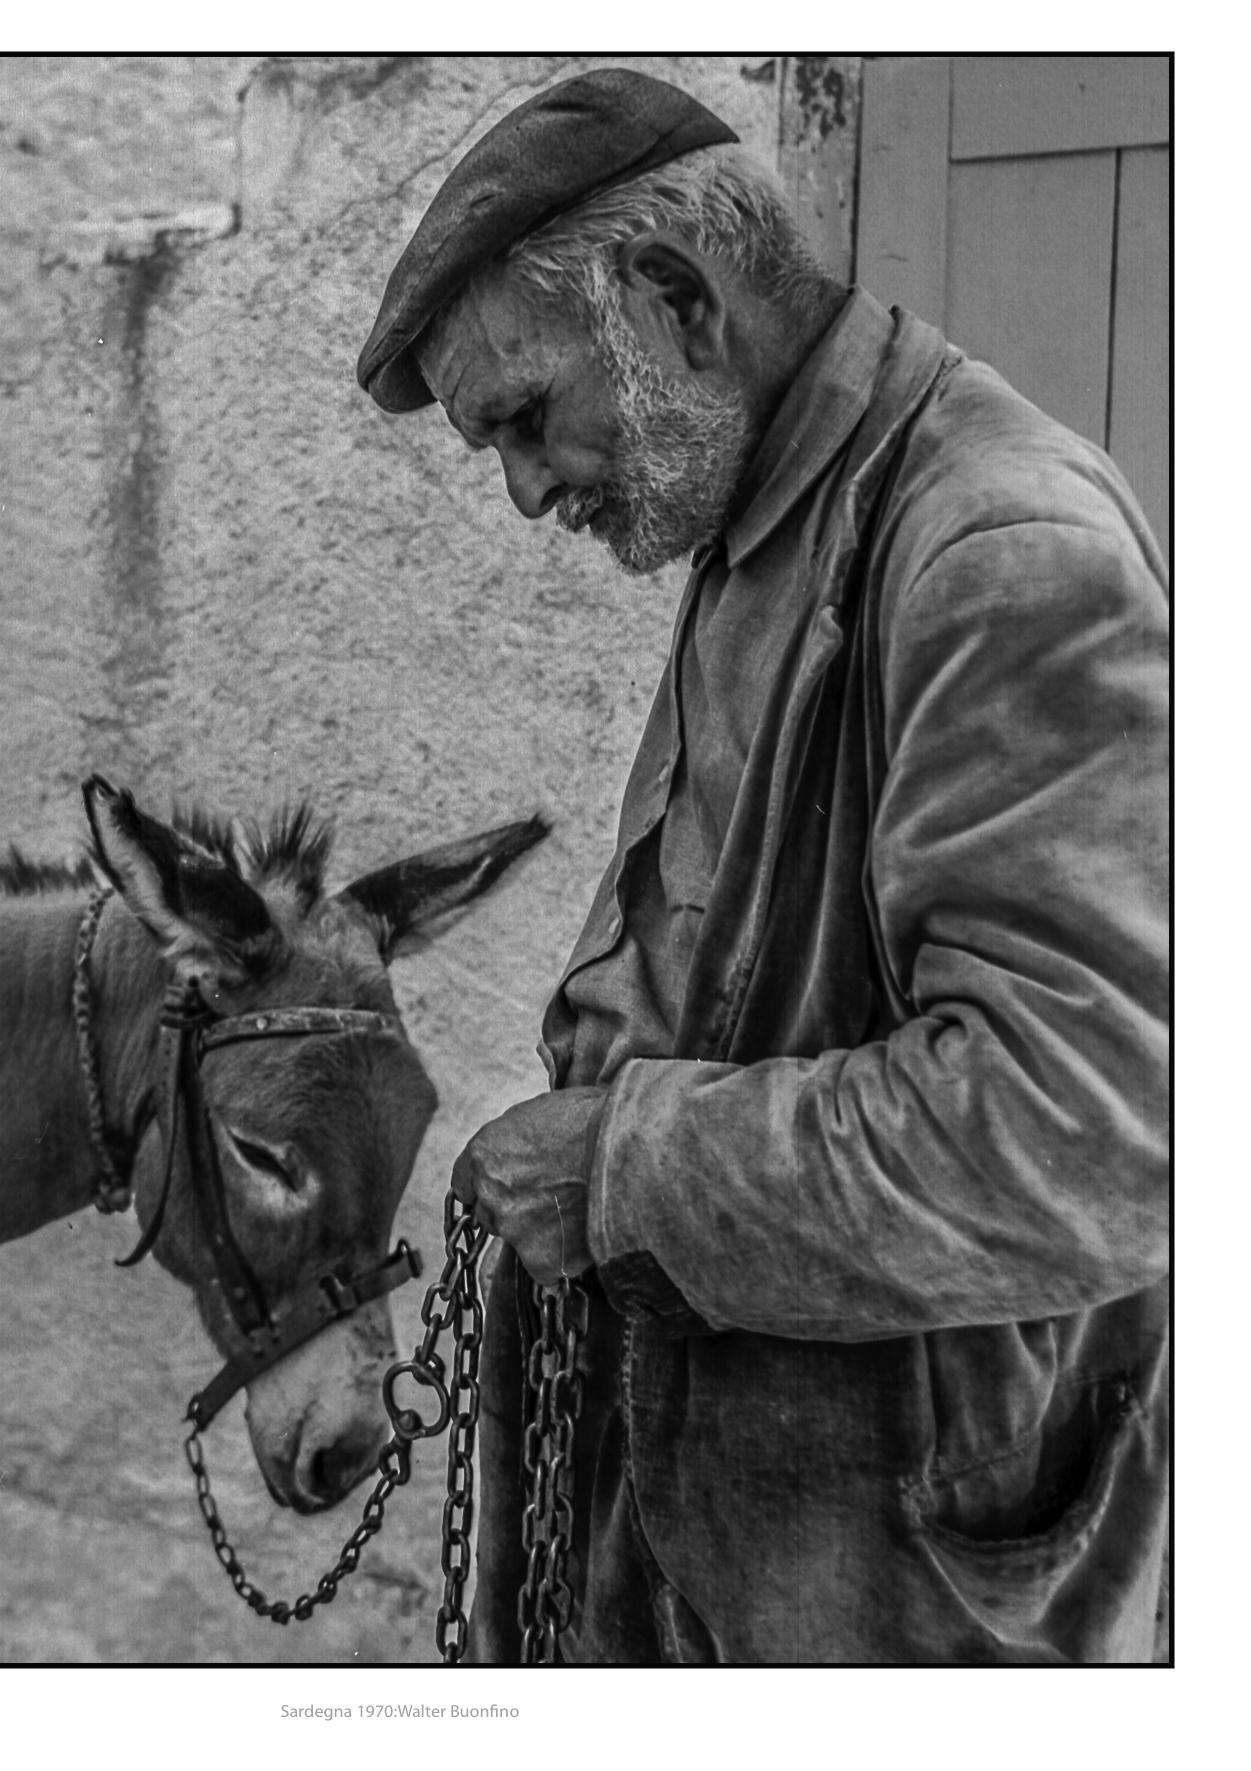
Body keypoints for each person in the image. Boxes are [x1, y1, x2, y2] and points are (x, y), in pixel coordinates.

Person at [356, 68, 1169, 1664]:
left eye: (523, 418)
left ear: (676, 300)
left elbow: (1093, 1137)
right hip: (733, 1512)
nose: (524, 490)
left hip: (903, 1585)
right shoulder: (760, 499)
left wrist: (616, 1169)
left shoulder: (999, 550)